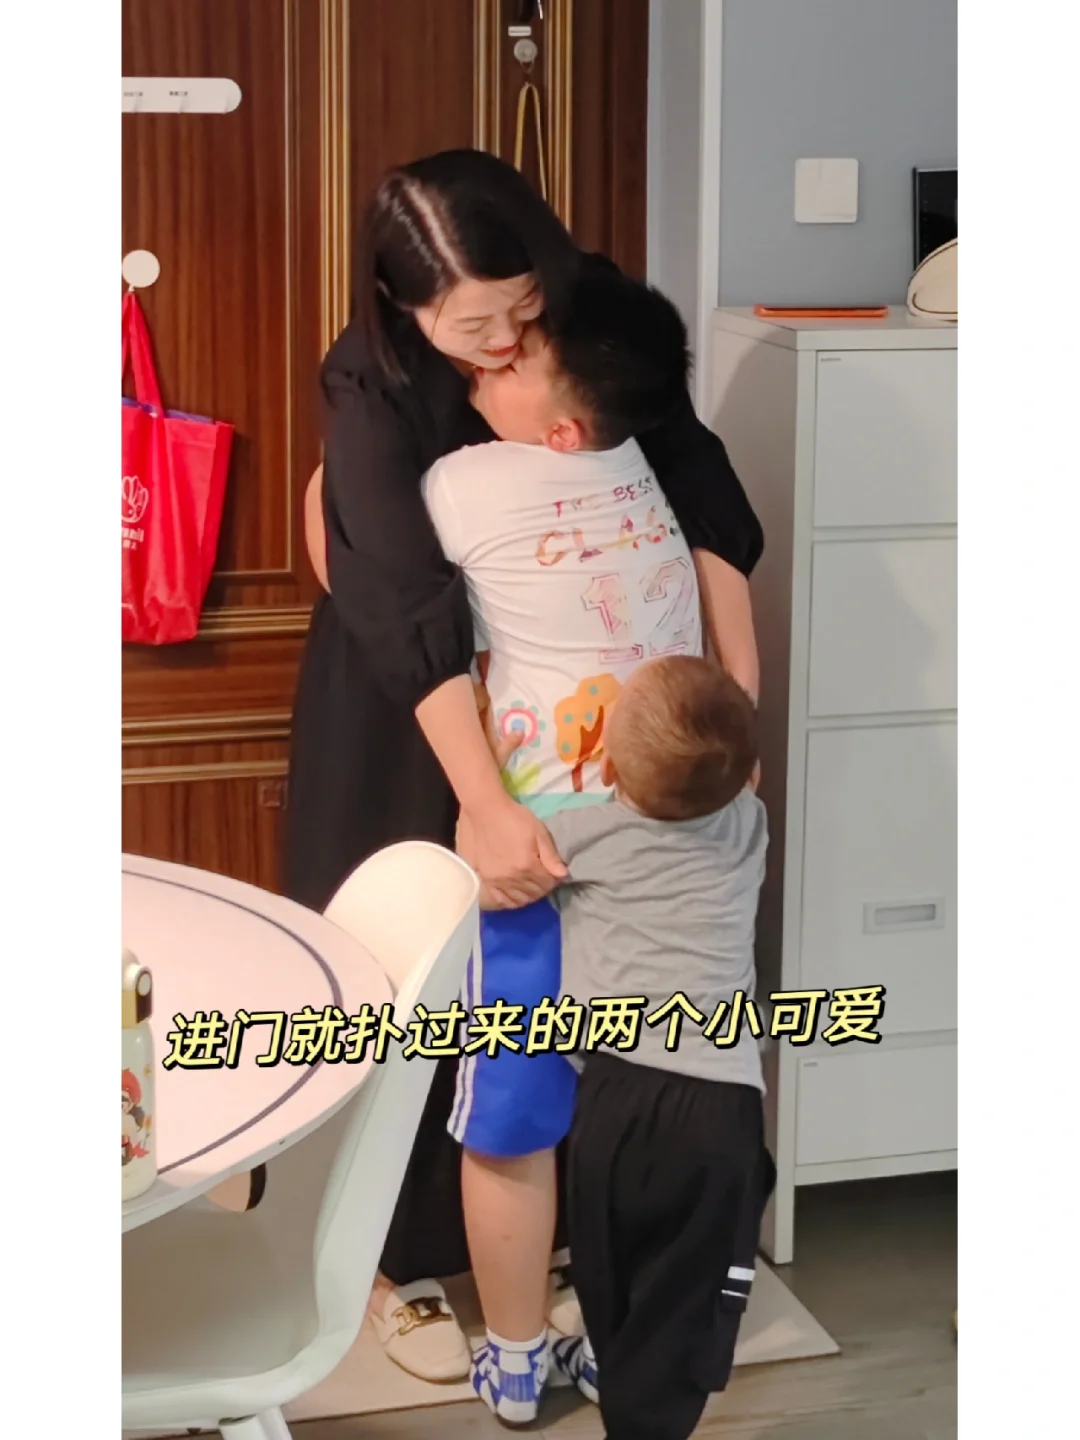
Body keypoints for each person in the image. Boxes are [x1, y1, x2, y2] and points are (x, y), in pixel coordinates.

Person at [286, 148, 764, 1383]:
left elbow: (701, 486)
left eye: (520, 313)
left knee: (550, 1029)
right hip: (414, 693)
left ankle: (550, 1278)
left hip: (580, 738)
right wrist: (483, 799)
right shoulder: (375, 378)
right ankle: (377, 1267)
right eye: (470, 330)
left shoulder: (592, 318)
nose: (501, 346)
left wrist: (736, 704)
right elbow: (381, 576)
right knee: (399, 981)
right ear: (404, 308)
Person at [418, 269, 755, 1423]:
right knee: (642, 1103)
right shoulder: (649, 469)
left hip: (536, 852)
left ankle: (515, 1358)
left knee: (513, 1112)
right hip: (668, 846)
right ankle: (623, 1338)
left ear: (561, 427)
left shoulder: (466, 482)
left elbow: (343, 541)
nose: (490, 360)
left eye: (516, 359)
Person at [543, 655, 776, 1440]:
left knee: (607, 1265)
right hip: (723, 1105)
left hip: (622, 1096)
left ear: (607, 767)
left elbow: (495, 863)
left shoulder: (581, 836)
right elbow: (734, 776)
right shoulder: (750, 823)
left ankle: (620, 1381)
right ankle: (648, 1408)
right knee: (688, 1294)